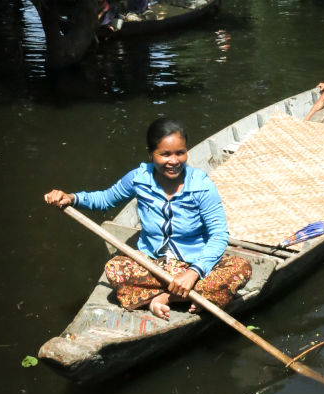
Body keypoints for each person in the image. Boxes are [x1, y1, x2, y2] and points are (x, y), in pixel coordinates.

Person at [44, 118, 252, 320]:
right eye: (165, 154)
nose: (174, 161)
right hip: (154, 265)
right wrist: (72, 198)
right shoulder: (139, 179)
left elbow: (218, 235)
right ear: (151, 154)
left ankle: (165, 297)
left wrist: (193, 272)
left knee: (241, 268)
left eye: (180, 153)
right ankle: (194, 296)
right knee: (114, 268)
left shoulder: (201, 185)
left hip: (193, 265)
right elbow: (105, 199)